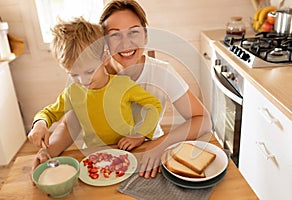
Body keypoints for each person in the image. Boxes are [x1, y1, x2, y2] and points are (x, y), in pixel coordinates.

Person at [29, 0, 212, 179]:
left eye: (134, 32)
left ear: (146, 36)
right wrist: (48, 151)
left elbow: (202, 120)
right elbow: (70, 124)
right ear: (103, 44)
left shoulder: (162, 72)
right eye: (115, 35)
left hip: (147, 151)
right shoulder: (87, 75)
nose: (126, 43)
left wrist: (159, 145)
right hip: (98, 159)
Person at [28, 17, 162, 154]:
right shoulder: (72, 92)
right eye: (73, 75)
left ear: (104, 58)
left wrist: (140, 135)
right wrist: (39, 123)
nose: (83, 80)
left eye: (89, 71)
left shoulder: (123, 85)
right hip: (95, 155)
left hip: (128, 152)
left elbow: (154, 105)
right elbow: (49, 113)